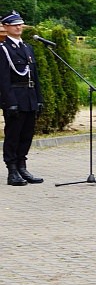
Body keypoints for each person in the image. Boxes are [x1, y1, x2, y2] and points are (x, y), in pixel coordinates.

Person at [1, 12, 44, 186]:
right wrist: (9, 102)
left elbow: (35, 76)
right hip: (15, 98)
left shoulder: (27, 48)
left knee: (27, 134)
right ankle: (12, 170)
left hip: (29, 97)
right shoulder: (3, 50)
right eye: (14, 24)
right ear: (5, 27)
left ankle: (22, 166)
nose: (18, 27)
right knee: (13, 135)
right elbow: (3, 79)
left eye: (20, 24)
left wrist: (39, 99)